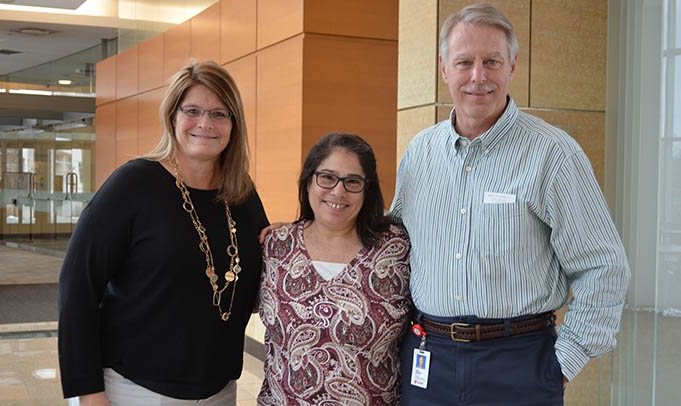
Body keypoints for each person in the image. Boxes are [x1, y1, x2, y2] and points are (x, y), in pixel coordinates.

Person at [391, 3, 630, 405]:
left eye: (492, 61)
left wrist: (561, 365)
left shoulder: (552, 155)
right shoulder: (420, 153)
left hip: (519, 364)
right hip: (428, 359)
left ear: (513, 66)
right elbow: (392, 244)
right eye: (464, 62)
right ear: (444, 68)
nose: (478, 77)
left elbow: (603, 267)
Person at [57, 59, 269, 405]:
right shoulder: (133, 184)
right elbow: (77, 285)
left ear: (234, 124)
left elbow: (261, 280)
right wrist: (87, 392)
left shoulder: (242, 195)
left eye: (219, 113)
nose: (205, 123)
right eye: (193, 110)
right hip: (133, 390)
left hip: (219, 391)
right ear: (173, 115)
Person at [256, 132, 412, 405]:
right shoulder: (276, 246)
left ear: (368, 189)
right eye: (327, 177)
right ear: (308, 182)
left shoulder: (397, 249)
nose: (338, 192)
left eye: (352, 181)